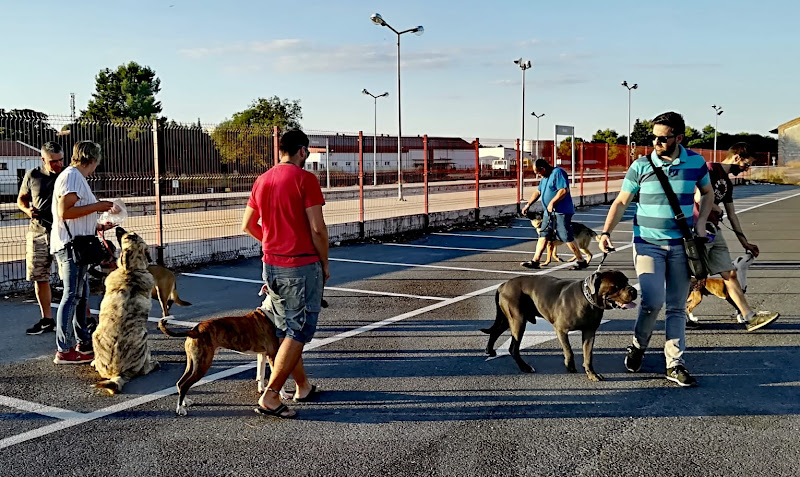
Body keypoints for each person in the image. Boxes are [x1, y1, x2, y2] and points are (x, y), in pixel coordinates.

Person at [598, 111, 714, 387]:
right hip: (648, 244)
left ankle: (674, 364)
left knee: (676, 307)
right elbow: (622, 201)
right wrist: (606, 232)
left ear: (679, 138)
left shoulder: (696, 162)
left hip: (680, 246)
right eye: (654, 138)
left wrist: (700, 225)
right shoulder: (640, 166)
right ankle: (638, 345)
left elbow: (708, 193)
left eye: (664, 138)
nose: (657, 143)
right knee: (651, 302)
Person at [242, 129, 329, 419]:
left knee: (287, 327)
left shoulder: (262, 180)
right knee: (299, 330)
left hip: (272, 265)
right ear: (302, 151)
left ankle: (302, 386)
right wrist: (325, 264)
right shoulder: (306, 180)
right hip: (301, 266)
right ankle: (271, 395)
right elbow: (318, 228)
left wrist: (271, 242)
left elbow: (248, 225)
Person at [688, 142, 779, 331]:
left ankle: (748, 317)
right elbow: (698, 197)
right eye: (747, 164)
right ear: (737, 157)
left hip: (714, 230)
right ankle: (679, 314)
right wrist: (714, 207)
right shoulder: (710, 169)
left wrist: (744, 242)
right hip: (699, 229)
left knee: (730, 273)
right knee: (693, 276)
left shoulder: (728, 183)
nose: (747, 168)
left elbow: (732, 214)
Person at [50, 141, 116, 364]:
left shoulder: (75, 177)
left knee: (81, 295)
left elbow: (75, 214)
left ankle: (83, 343)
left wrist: (97, 225)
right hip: (70, 246)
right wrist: (98, 206)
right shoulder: (73, 177)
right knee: (71, 296)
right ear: (94, 159)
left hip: (77, 243)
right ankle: (64, 349)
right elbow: (65, 212)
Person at [17, 142, 64, 335]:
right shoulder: (33, 175)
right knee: (40, 277)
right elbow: (22, 198)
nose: (58, 164)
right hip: (38, 232)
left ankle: (84, 319)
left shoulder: (68, 175)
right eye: (53, 161)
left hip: (63, 232)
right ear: (43, 160)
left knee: (73, 277)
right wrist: (28, 210)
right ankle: (47, 319)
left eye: (61, 159)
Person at [520, 158, 588, 270]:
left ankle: (581, 260)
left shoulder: (558, 173)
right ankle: (535, 261)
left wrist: (552, 202)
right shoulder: (544, 178)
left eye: (538, 172)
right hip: (549, 213)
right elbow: (538, 192)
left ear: (544, 168)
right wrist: (528, 204)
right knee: (543, 234)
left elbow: (563, 190)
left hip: (561, 212)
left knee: (566, 236)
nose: (538, 175)